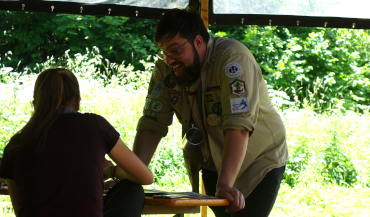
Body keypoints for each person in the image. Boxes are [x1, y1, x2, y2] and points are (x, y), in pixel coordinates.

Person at [133, 9, 288, 216]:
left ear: (198, 41)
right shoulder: (165, 68)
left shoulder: (233, 58)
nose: (169, 60)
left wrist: (225, 184)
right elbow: (152, 123)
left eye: (175, 50)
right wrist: (131, 177)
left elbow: (238, 126)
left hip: (259, 161)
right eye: (164, 52)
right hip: (212, 160)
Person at [0, 68, 153, 217]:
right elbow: (146, 178)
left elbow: (20, 210)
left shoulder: (16, 144)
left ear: (35, 105)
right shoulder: (96, 125)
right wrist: (110, 171)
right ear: (78, 103)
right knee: (131, 190)